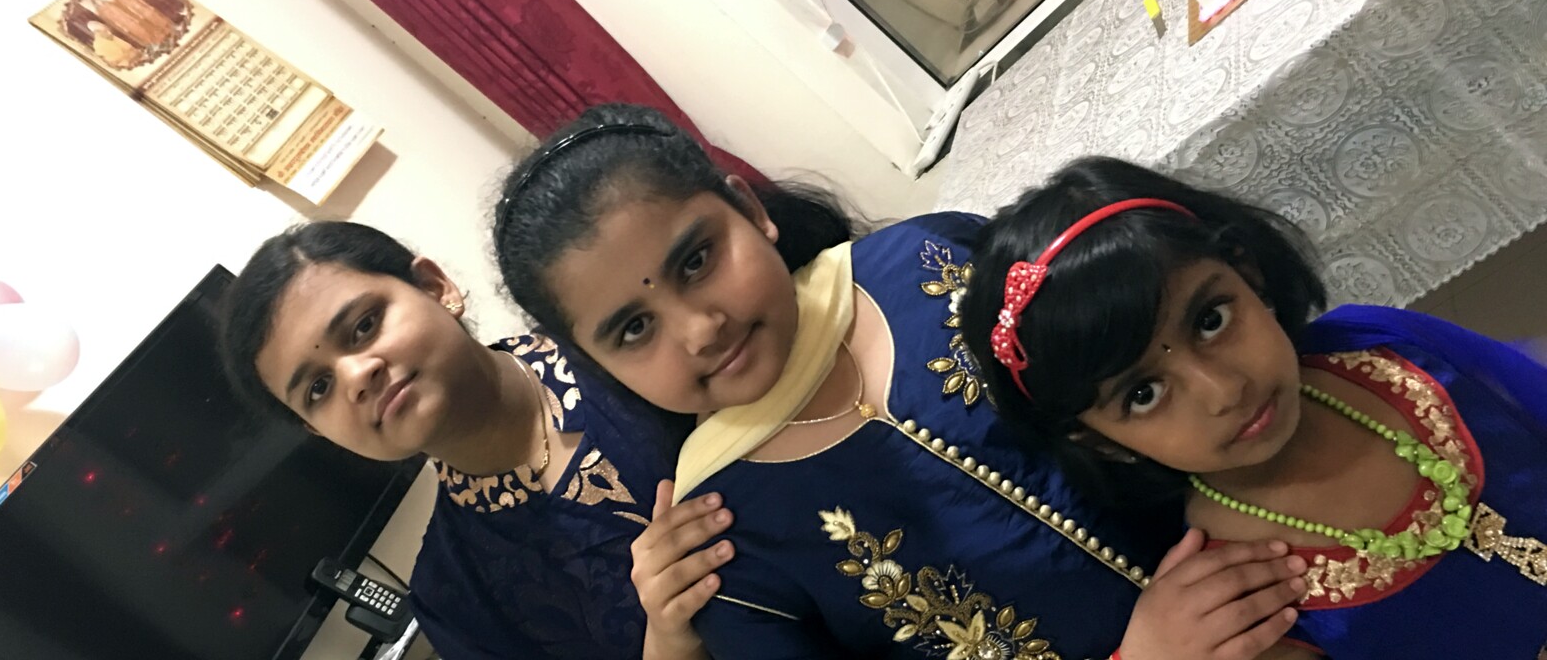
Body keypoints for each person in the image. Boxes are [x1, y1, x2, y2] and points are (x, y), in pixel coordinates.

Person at [491, 103, 1311, 660]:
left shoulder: (930, 255)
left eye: (698, 259)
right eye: (634, 330)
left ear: (749, 209)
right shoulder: (718, 541)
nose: (699, 327)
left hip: (1309, 568)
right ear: (598, 364)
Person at [959, 157, 1547, 660]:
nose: (1224, 390)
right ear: (1103, 442)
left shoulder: (1382, 345)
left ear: (1247, 273)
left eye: (1210, 320)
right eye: (1143, 394)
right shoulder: (1245, 605)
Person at [217, 221, 714, 659]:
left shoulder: (623, 338)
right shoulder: (455, 600)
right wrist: (670, 645)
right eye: (318, 389)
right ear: (317, 430)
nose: (356, 377)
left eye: (364, 326)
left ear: (436, 287)